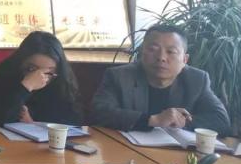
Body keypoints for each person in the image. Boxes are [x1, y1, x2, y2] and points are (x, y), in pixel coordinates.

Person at [91, 24, 230, 135]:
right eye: (153, 49)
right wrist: (153, 120)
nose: (161, 57)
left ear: (184, 59)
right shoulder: (119, 76)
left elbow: (221, 121)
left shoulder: (197, 80)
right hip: (128, 151)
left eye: (171, 52)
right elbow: (99, 113)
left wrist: (182, 121)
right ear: (142, 53)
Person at [0, 31, 82, 126]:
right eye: (31, 69)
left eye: (48, 72)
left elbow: (72, 123)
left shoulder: (62, 82)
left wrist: (32, 124)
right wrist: (25, 87)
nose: (39, 77)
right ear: (20, 61)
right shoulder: (0, 76)